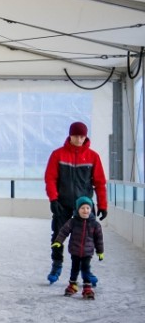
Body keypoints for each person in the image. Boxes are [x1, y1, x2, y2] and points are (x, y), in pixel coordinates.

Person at [44, 121, 107, 284]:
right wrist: (53, 199)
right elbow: (50, 178)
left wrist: (103, 205)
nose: (79, 139)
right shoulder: (58, 155)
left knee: (87, 240)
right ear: (70, 135)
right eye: (76, 136)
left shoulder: (93, 157)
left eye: (82, 136)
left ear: (85, 136)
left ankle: (86, 271)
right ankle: (56, 265)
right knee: (58, 235)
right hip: (62, 205)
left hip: (84, 207)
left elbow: (100, 183)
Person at [51, 196, 104, 299]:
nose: (85, 210)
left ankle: (87, 288)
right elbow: (63, 232)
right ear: (77, 209)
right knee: (74, 269)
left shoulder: (95, 224)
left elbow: (99, 239)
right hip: (75, 250)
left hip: (88, 252)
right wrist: (58, 241)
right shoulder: (73, 222)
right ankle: (73, 285)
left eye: (88, 208)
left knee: (86, 269)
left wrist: (100, 251)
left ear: (91, 209)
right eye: (82, 208)